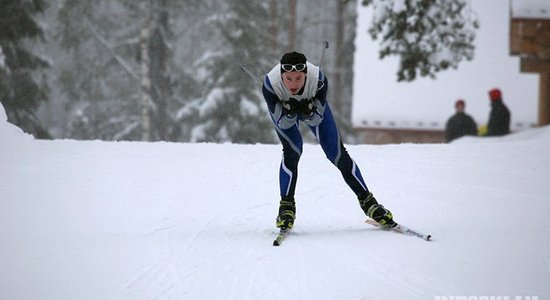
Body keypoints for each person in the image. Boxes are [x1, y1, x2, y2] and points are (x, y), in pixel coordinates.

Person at [261, 51, 396, 231]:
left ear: (306, 74)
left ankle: (369, 203)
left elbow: (317, 119)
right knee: (293, 152)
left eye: (299, 78)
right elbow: (282, 122)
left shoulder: (318, 79)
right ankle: (286, 207)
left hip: (313, 114)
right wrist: (291, 112)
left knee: (337, 154)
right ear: (281, 75)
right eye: (289, 78)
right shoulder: (271, 84)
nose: (293, 84)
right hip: (285, 116)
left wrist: (308, 111)